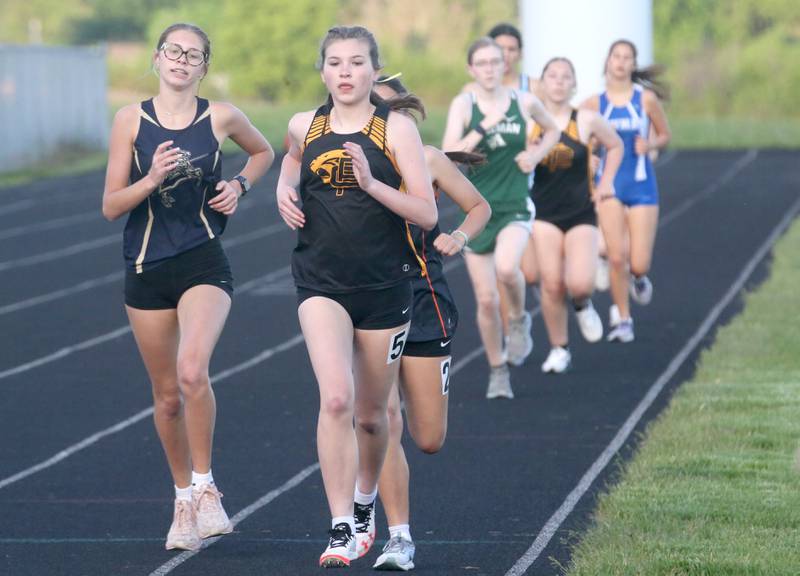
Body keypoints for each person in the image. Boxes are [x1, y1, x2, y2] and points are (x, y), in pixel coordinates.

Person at [102, 23, 274, 551]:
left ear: (204, 66)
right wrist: (150, 178)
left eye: (193, 54)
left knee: (193, 370)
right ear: (157, 59)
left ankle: (206, 488)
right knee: (167, 396)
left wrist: (240, 185)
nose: (181, 60)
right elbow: (111, 206)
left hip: (203, 260)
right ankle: (181, 499)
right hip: (146, 268)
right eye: (173, 51)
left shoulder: (220, 116)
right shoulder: (129, 120)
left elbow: (264, 152)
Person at [275, 26, 438, 568]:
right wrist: (282, 187)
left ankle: (366, 501)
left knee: (373, 417)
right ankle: (341, 524)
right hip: (319, 282)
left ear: (374, 71)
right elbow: (293, 157)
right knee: (337, 399)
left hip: (384, 286)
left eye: (357, 63)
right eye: (336, 63)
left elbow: (427, 213)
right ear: (323, 71)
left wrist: (371, 185)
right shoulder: (305, 124)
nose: (345, 72)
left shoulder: (396, 131)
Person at [370, 75, 491, 571]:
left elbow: (479, 207)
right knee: (382, 419)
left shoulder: (430, 158)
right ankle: (397, 535)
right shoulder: (332, 155)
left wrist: (460, 237)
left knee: (428, 438)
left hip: (423, 301)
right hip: (368, 299)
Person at [443, 37, 559, 399]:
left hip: (513, 204)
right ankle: (498, 370)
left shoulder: (524, 101)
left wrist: (536, 155)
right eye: (483, 63)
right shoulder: (464, 104)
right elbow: (448, 155)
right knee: (487, 300)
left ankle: (520, 319)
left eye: (496, 62)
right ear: (471, 69)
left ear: (503, 66)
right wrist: (483, 126)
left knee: (508, 268)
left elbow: (553, 128)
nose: (491, 69)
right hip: (478, 210)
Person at [530, 58, 623, 373]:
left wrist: (606, 183)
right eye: (552, 76)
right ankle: (560, 347)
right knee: (552, 284)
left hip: (580, 211)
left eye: (565, 76)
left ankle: (583, 305)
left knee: (580, 284)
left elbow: (616, 145)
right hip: (542, 213)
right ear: (541, 83)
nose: (558, 81)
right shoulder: (529, 121)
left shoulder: (585, 120)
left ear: (574, 85)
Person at [582, 39, 671, 342]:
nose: (620, 62)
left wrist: (651, 145)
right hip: (609, 186)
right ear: (607, 62)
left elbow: (665, 135)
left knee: (638, 262)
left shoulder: (645, 100)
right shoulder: (594, 105)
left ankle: (639, 277)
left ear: (633, 65)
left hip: (641, 184)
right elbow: (578, 138)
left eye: (627, 57)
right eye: (616, 56)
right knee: (617, 257)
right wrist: (590, 156)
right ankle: (623, 318)